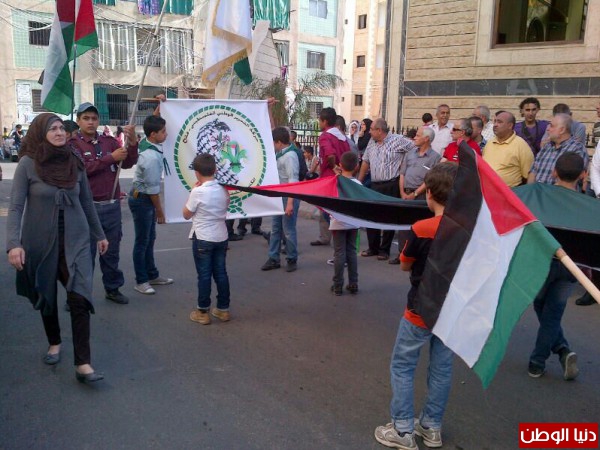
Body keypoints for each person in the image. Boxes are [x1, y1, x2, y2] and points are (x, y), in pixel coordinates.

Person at [6, 113, 108, 383]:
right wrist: (13, 244)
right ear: (41, 133)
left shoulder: (74, 161)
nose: (60, 132)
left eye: (62, 128)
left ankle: (83, 363)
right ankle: (54, 342)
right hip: (40, 242)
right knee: (47, 295)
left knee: (80, 297)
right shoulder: (28, 164)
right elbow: (15, 207)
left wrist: (99, 234)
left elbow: (86, 202)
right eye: (53, 129)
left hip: (76, 240)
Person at [374, 162, 458, 450]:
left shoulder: (421, 228)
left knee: (402, 366)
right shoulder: (469, 230)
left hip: (420, 310)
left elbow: (405, 264)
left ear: (429, 193)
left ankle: (402, 429)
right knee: (442, 368)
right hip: (451, 310)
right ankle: (431, 426)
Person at [71, 102, 139, 305]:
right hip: (86, 209)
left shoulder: (109, 141)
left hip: (111, 206)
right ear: (78, 121)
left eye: (94, 118)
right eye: (86, 118)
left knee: (111, 252)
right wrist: (110, 158)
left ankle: (113, 288)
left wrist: (132, 143)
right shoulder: (73, 145)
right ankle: (79, 294)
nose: (90, 122)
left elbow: (127, 162)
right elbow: (81, 169)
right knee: (84, 254)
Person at [527, 152, 582, 380]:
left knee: (543, 308)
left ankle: (538, 361)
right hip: (571, 266)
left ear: (554, 172)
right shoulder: (587, 205)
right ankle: (561, 349)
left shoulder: (542, 198)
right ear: (583, 175)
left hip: (543, 262)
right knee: (551, 311)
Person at [358, 118, 417, 261]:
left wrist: (405, 166)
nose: (369, 131)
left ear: (379, 130)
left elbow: (415, 148)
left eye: (372, 129)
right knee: (371, 216)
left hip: (391, 184)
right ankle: (373, 247)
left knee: (389, 217)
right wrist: (359, 181)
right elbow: (366, 161)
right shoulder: (372, 142)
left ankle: (384, 250)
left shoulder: (398, 140)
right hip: (375, 184)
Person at [128, 115, 174, 295]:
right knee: (142, 241)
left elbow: (152, 121)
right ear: (153, 134)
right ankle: (141, 281)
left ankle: (152, 274)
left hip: (144, 198)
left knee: (149, 238)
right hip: (143, 199)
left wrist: (159, 107)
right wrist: (160, 212)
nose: (166, 134)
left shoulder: (148, 144)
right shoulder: (151, 157)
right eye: (163, 131)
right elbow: (153, 191)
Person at [183, 154, 231, 325]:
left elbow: (186, 214)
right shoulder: (223, 189)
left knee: (204, 275)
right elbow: (226, 204)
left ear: (196, 173)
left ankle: (202, 311)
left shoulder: (198, 191)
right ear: (215, 170)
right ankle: (223, 309)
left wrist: (192, 192)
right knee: (221, 273)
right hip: (221, 236)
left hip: (203, 237)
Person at [261, 126, 300, 272]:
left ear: (278, 142)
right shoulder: (280, 154)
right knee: (276, 228)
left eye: (273, 142)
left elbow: (293, 181)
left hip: (287, 196)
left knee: (288, 229)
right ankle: (273, 258)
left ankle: (291, 258)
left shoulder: (290, 156)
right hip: (279, 195)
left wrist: (290, 203)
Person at [310, 107, 350, 247]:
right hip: (343, 176)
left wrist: (333, 166)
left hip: (329, 177)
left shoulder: (325, 136)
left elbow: (330, 154)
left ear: (325, 121)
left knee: (328, 209)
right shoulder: (342, 137)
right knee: (336, 208)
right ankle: (330, 237)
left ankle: (334, 238)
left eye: (320, 120)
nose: (319, 123)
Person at [329, 152, 361, 296]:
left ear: (340, 165)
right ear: (357, 166)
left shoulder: (336, 182)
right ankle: (353, 283)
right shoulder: (358, 184)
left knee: (339, 253)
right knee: (352, 252)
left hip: (338, 222)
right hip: (353, 222)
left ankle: (337, 285)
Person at [527, 113, 588, 185]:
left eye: (551, 126)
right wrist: (530, 190)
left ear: (562, 130)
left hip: (559, 191)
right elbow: (533, 172)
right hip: (536, 190)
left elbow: (572, 180)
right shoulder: (546, 147)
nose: (548, 129)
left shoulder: (577, 149)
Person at [482, 111, 534, 187]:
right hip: (486, 190)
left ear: (510, 125)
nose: (495, 125)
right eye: (495, 121)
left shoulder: (521, 145)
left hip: (509, 191)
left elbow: (528, 175)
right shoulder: (489, 143)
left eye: (499, 122)